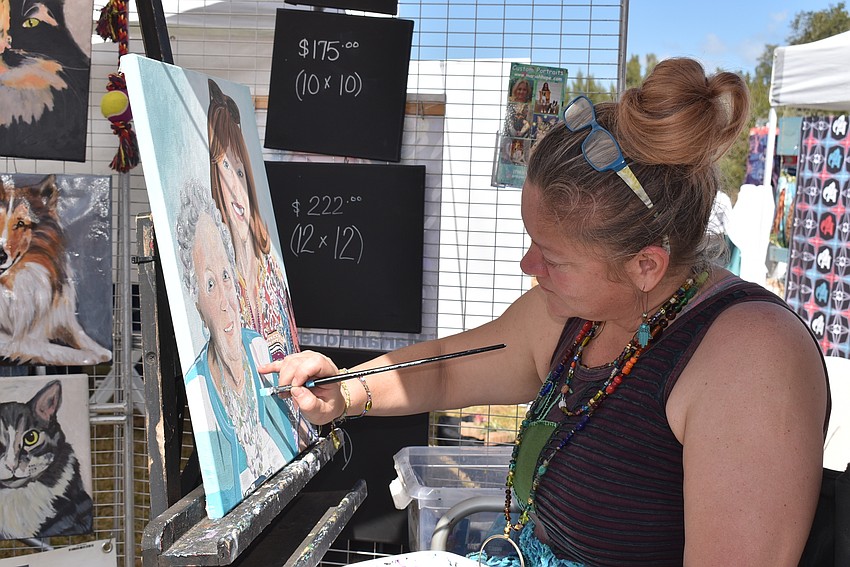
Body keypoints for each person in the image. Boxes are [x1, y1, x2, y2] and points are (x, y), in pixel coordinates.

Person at [261, 58, 829, 565]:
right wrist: (346, 391)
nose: (528, 264)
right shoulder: (579, 314)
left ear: (646, 266)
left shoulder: (752, 360)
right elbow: (446, 368)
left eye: (553, 257)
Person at [176, 179, 298, 516]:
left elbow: (288, 449)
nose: (226, 301)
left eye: (227, 277)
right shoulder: (199, 386)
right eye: (210, 284)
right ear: (195, 299)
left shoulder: (257, 348)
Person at [207, 78, 299, 362]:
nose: (236, 189)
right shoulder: (218, 274)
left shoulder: (270, 269)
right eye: (224, 167)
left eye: (240, 171)